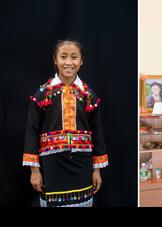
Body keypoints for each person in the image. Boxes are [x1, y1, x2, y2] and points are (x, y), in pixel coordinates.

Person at [23, 39, 109, 207]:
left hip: (82, 164)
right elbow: (31, 131)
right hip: (52, 165)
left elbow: (97, 132)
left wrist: (96, 170)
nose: (69, 62)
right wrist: (35, 171)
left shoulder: (88, 95)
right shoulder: (43, 94)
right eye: (63, 57)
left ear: (81, 61)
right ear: (55, 60)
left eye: (74, 57)